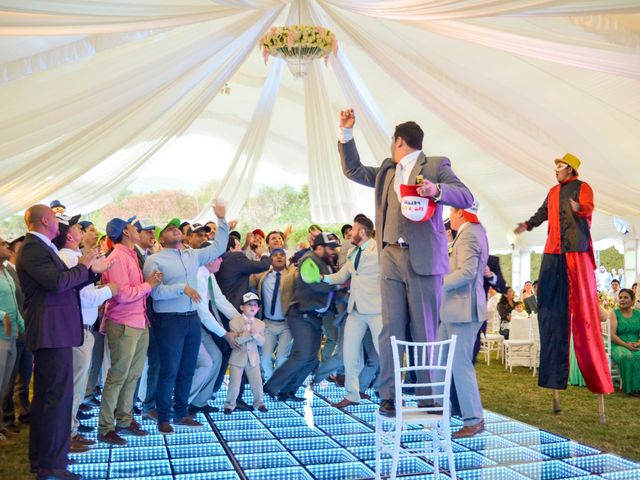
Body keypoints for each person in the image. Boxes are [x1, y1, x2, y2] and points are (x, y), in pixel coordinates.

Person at [337, 108, 473, 417]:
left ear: (399, 141)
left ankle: (430, 398)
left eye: (391, 141)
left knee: (424, 331)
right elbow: (354, 170)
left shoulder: (436, 164)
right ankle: (390, 396)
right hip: (390, 256)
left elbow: (466, 196)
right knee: (391, 330)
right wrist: (346, 134)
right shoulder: (387, 170)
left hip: (423, 258)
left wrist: (437, 190)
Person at [16, 204, 111, 480]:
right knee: (55, 399)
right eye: (57, 219)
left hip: (54, 332)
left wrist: (92, 272)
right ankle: (52, 466)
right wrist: (83, 266)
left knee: (50, 398)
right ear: (46, 220)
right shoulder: (33, 247)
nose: (61, 224)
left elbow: (65, 284)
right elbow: (57, 283)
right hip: (50, 332)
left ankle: (43, 461)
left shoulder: (41, 247)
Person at [514, 153, 613, 412]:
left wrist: (581, 209)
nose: (555, 171)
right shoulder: (553, 192)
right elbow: (542, 213)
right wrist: (527, 225)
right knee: (550, 316)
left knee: (585, 318)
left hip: (576, 254)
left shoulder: (583, 187)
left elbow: (589, 207)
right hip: (553, 254)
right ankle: (553, 384)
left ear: (570, 169)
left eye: (558, 167)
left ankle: (597, 381)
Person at [142, 202, 229, 435]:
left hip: (191, 320)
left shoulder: (193, 255)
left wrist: (222, 220)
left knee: (188, 369)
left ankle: (181, 413)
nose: (174, 229)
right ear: (161, 239)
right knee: (169, 369)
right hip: (169, 321)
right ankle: (163, 417)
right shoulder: (155, 261)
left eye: (177, 228)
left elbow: (220, 246)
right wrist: (183, 288)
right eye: (169, 229)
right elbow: (155, 293)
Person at [97, 217, 162, 445]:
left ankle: (124, 419)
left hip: (139, 321)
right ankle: (105, 427)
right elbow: (122, 295)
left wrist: (148, 284)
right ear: (125, 231)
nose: (138, 229)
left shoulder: (131, 255)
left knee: (132, 375)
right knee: (117, 376)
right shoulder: (116, 257)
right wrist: (149, 285)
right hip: (124, 322)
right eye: (134, 226)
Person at [54, 214, 115, 451]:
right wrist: (109, 291)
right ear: (69, 235)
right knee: (73, 385)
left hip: (80, 328)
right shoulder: (70, 257)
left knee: (76, 385)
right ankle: (67, 436)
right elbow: (83, 296)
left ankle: (72, 429)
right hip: (78, 329)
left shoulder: (73, 256)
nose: (81, 230)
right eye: (78, 227)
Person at [264, 233, 339, 402]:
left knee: (311, 359)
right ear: (319, 248)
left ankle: (289, 390)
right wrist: (338, 285)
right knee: (302, 355)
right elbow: (315, 284)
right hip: (301, 314)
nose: (333, 251)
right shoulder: (308, 260)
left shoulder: (326, 263)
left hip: (313, 315)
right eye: (330, 248)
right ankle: (272, 386)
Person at [320, 216, 381, 408]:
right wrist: (320, 277)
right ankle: (352, 394)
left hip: (377, 309)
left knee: (385, 353)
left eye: (353, 230)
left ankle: (392, 395)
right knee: (349, 352)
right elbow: (340, 276)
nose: (350, 234)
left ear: (361, 232)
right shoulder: (353, 252)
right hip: (354, 309)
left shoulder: (379, 250)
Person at [439, 204, 489, 438]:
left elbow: (467, 273)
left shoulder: (470, 233)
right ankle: (440, 412)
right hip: (452, 309)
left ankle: (474, 419)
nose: (450, 217)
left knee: (460, 366)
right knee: (439, 363)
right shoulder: (474, 232)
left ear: (460, 212)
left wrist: (438, 284)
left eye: (451, 212)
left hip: (462, 310)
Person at [253, 248, 295, 381]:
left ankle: (278, 383)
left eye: (282, 255)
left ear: (286, 259)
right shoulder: (264, 276)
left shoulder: (291, 275)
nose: (279, 257)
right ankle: (269, 381)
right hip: (268, 323)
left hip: (286, 324)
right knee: (265, 357)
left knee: (282, 357)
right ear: (270, 259)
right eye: (275, 255)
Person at [224, 292, 267, 414]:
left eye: (255, 305)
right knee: (234, 384)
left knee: (257, 383)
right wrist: (249, 335)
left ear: (258, 308)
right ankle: (229, 405)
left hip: (253, 358)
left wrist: (256, 335)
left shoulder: (260, 324)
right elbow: (236, 340)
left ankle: (259, 403)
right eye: (249, 305)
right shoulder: (234, 322)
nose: (252, 307)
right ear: (242, 307)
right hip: (238, 357)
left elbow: (262, 342)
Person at [0, 236, 24, 443]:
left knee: (7, 381)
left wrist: (24, 327)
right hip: (1, 334)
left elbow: (15, 306)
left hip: (14, 333)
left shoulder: (6, 273)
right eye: (1, 244)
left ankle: (3, 426)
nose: (6, 246)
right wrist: (2, 316)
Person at [610, 289, 640, 396]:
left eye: (626, 297)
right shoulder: (614, 313)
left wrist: (637, 343)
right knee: (627, 356)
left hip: (635, 344)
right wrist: (626, 345)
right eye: (621, 297)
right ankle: (632, 389)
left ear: (632, 301)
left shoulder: (638, 314)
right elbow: (612, 335)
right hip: (618, 345)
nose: (622, 300)